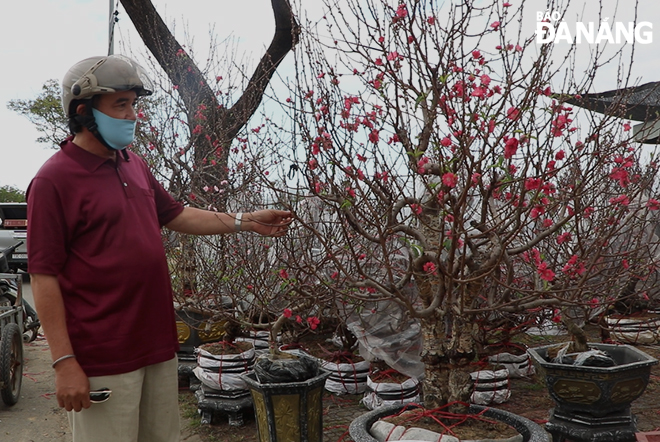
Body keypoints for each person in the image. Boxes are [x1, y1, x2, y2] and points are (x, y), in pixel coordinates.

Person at [26, 54, 292, 442]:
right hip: (103, 356)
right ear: (83, 111)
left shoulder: (133, 164)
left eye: (135, 103)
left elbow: (177, 214)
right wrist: (64, 362)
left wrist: (245, 220)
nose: (133, 114)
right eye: (121, 104)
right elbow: (43, 276)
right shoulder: (54, 180)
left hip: (157, 346)